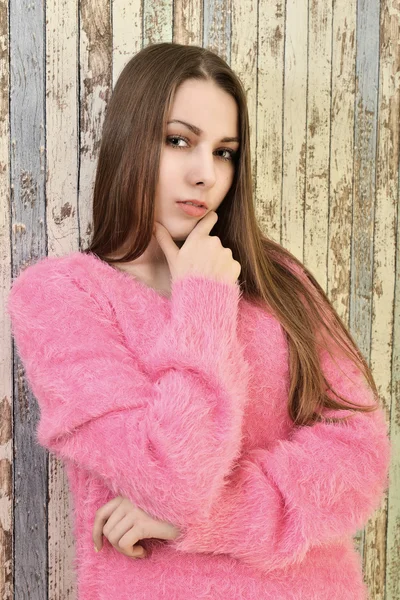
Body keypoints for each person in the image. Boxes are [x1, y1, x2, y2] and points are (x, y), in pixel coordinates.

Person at [7, 42, 391, 600]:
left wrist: (213, 519)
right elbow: (171, 478)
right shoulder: (63, 296)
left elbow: (360, 454)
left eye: (225, 151)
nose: (205, 173)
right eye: (179, 141)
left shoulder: (277, 279)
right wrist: (204, 301)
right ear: (131, 139)